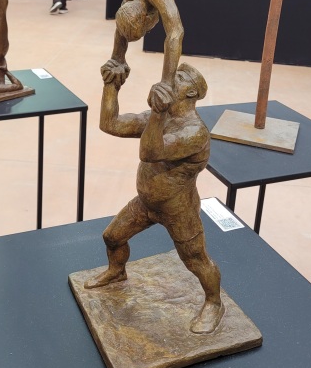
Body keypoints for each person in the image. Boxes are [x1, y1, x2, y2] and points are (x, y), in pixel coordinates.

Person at [85, 62, 224, 335]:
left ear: (192, 92)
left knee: (195, 260)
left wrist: (158, 114)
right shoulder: (159, 116)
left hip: (178, 210)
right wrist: (111, 85)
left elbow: (150, 153)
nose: (171, 78)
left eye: (179, 77)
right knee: (112, 237)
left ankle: (214, 303)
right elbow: (110, 124)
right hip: (146, 203)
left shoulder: (195, 132)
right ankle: (117, 271)